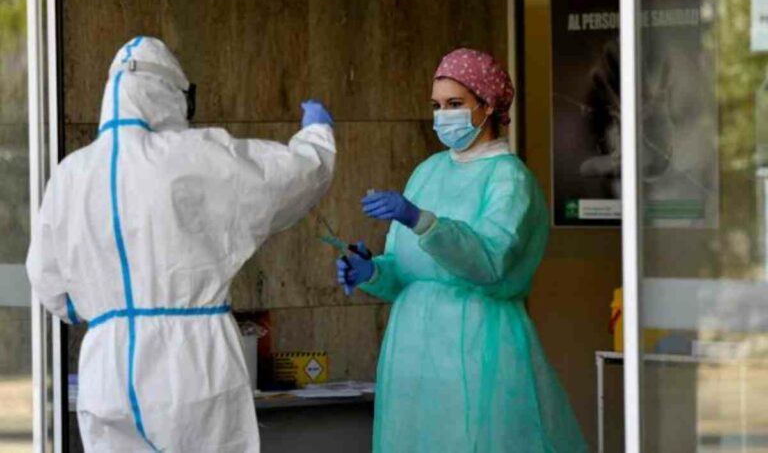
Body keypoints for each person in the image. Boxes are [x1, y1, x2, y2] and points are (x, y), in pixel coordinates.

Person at [26, 36, 335, 452]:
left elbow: (48, 281)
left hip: (106, 368)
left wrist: (102, 309)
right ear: (171, 94)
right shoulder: (193, 155)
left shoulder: (70, 175)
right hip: (192, 363)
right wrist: (316, 135)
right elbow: (285, 178)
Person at [337, 48, 587, 452]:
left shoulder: (508, 178)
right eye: (437, 106)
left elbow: (490, 260)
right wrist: (373, 272)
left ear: (487, 105)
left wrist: (422, 220)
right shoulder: (428, 171)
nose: (443, 115)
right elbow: (407, 270)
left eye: (455, 104)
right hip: (412, 351)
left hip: (478, 343)